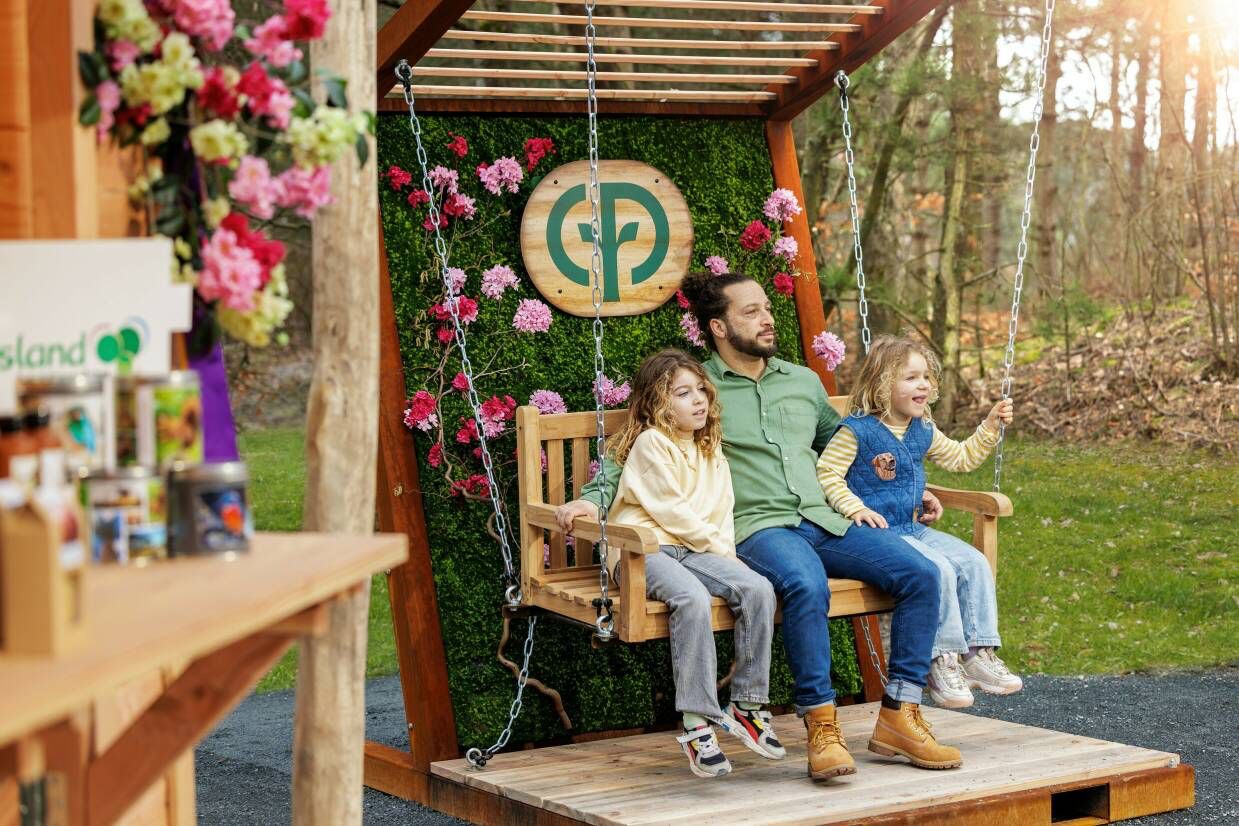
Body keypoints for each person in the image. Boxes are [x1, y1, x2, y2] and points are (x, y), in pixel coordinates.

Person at [558, 271, 962, 779]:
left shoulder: (802, 381)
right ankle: (821, 724)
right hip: (758, 528)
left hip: (824, 518)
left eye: (766, 307)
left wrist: (904, 484)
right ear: (719, 327)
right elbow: (633, 450)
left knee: (921, 573)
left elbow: (849, 448)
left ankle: (901, 715)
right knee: (805, 583)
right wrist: (589, 502)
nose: (767, 318)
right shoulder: (699, 388)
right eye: (750, 312)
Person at [565, 349, 783, 778]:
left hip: (694, 546)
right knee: (691, 597)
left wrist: (728, 559)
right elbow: (671, 511)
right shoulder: (651, 443)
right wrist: (715, 550)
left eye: (700, 390)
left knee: (758, 588)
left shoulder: (708, 444)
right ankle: (698, 723)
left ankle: (747, 705)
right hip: (643, 547)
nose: (698, 400)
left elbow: (722, 506)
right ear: (657, 403)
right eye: (683, 394)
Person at [816, 335, 1023, 709]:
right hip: (878, 536)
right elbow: (827, 472)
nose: (924, 384)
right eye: (911, 377)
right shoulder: (856, 431)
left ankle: (978, 654)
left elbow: (961, 458)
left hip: (912, 528)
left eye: (926, 377)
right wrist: (852, 507)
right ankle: (940, 660)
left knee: (973, 561)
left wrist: (990, 426)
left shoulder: (921, 428)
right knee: (939, 568)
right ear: (882, 384)